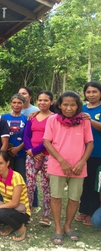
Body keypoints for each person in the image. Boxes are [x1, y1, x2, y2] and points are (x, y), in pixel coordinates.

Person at [44, 91, 94, 245]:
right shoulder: (52, 120)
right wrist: (62, 161)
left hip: (78, 168)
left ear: (78, 106)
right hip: (57, 165)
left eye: (73, 104)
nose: (69, 108)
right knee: (56, 197)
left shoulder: (84, 121)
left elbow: (90, 143)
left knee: (74, 198)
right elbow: (47, 142)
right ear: (59, 105)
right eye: (65, 104)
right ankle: (58, 228)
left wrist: (81, 162)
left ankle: (68, 226)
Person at [23, 91, 54, 227]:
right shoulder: (32, 117)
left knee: (46, 187)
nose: (42, 103)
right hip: (31, 157)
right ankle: (27, 212)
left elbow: (52, 138)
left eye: (46, 100)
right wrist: (31, 152)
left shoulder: (54, 118)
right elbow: (26, 136)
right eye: (40, 100)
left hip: (48, 156)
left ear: (51, 102)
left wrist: (36, 151)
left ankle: (46, 215)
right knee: (29, 185)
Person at [76, 81, 101, 226]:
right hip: (82, 154)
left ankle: (93, 212)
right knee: (83, 183)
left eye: (94, 91)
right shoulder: (81, 108)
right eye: (88, 92)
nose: (91, 94)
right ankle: (84, 210)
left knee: (95, 184)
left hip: (98, 153)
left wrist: (90, 120)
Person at [18, 86, 40, 213]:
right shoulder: (17, 109)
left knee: (31, 178)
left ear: (30, 96)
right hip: (24, 149)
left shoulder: (35, 110)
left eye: (24, 93)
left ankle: (34, 202)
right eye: (19, 93)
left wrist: (33, 150)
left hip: (32, 150)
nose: (22, 96)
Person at [2, 93, 27, 179]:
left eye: (19, 103)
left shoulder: (26, 119)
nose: (16, 105)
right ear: (10, 104)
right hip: (6, 154)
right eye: (14, 102)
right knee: (7, 177)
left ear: (23, 104)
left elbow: (28, 137)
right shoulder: (3, 118)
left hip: (20, 154)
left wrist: (18, 149)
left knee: (20, 178)